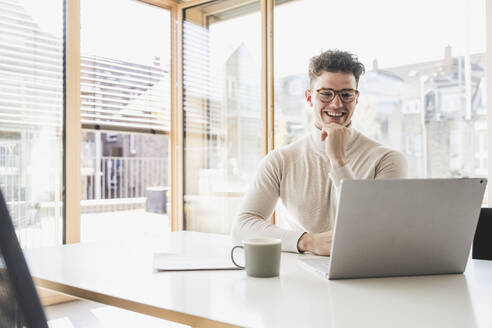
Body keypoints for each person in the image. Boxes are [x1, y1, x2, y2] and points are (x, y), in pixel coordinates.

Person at [231, 49, 408, 256]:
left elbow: (377, 234)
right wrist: (309, 242)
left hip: (363, 279)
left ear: (356, 98)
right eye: (326, 93)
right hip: (296, 280)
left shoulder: (387, 160)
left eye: (346, 94)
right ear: (309, 97)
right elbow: (242, 227)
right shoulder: (280, 160)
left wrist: (338, 161)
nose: (336, 103)